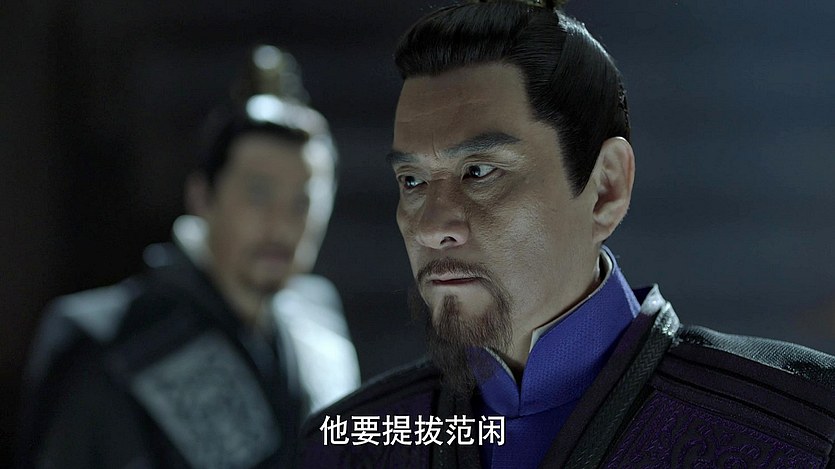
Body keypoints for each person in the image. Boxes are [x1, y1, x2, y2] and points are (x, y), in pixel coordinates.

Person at [299, 1, 835, 467]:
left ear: (605, 189)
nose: (432, 226)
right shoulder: (352, 442)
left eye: (479, 172)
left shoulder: (803, 428)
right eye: (412, 180)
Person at [18, 45, 360, 468]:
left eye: (302, 203)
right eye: (258, 195)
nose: (282, 226)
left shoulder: (318, 325)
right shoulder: (104, 340)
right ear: (202, 198)